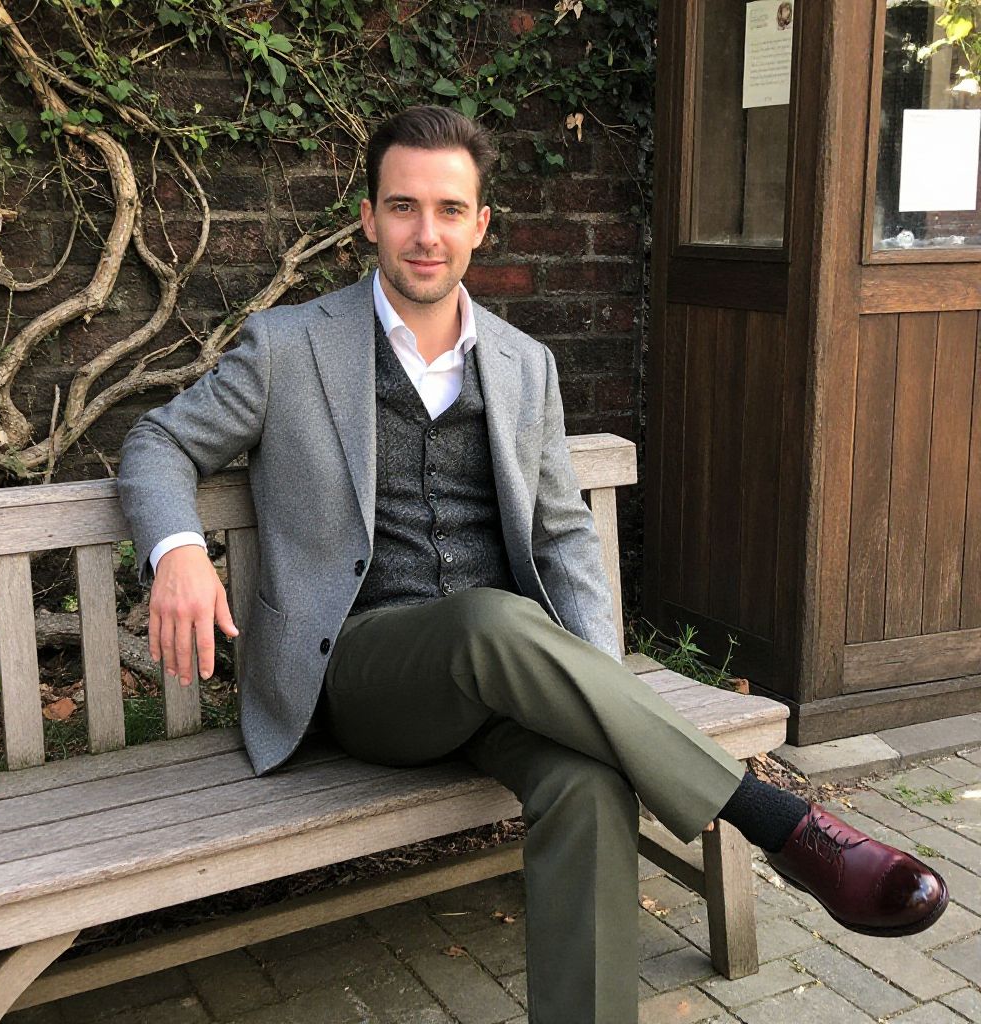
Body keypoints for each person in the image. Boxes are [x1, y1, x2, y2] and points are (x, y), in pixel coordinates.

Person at [117, 105, 948, 1024]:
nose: (424, 235)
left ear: (481, 224)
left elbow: (560, 537)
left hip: (504, 680)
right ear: (368, 218)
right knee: (489, 618)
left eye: (447, 210)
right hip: (359, 672)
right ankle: (774, 819)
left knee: (589, 785)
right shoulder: (290, 346)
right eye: (402, 207)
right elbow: (158, 441)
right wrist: (180, 552)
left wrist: (593, 695)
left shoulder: (525, 364)